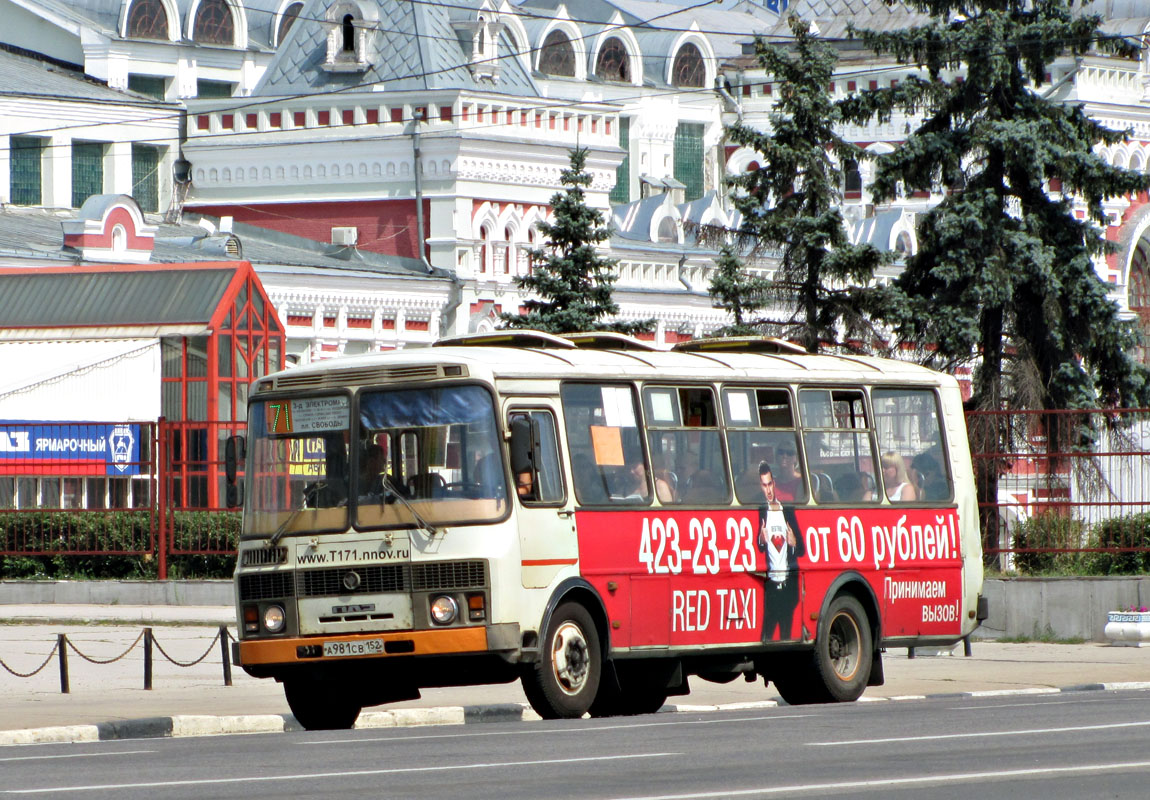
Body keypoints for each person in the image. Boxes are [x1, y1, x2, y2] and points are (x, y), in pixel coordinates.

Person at [756, 461, 804, 642]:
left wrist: (793, 542)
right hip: (770, 588)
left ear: (774, 484)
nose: (768, 490)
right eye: (764, 485)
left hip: (788, 588)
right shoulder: (761, 512)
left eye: (770, 484)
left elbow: (801, 549)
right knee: (765, 638)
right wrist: (761, 540)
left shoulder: (787, 511)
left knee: (786, 639)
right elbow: (757, 547)